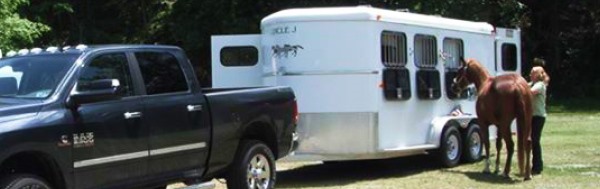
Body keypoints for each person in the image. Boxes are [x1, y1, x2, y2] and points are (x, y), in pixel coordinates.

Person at [529, 59, 549, 175]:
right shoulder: (532, 83)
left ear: (538, 75)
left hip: (538, 117)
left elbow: (529, 92)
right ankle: (534, 165)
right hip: (533, 116)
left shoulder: (540, 85)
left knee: (535, 141)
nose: (530, 74)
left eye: (532, 72)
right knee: (532, 141)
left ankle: (537, 166)